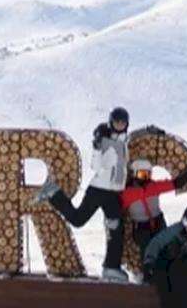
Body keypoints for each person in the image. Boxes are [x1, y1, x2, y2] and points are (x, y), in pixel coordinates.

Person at [36, 107, 142, 282]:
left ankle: (111, 267)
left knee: (117, 230)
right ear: (111, 122)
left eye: (123, 122)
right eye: (117, 121)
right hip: (99, 190)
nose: (120, 125)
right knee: (78, 219)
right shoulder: (104, 140)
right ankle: (53, 192)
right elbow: (95, 165)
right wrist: (98, 148)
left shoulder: (124, 141)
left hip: (114, 193)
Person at [123, 156, 187, 272]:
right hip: (141, 227)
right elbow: (116, 206)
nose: (146, 178)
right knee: (148, 250)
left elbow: (176, 183)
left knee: (167, 245)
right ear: (134, 175)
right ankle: (148, 275)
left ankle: (171, 271)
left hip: (158, 222)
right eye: (142, 175)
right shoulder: (127, 193)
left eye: (148, 175)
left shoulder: (154, 187)